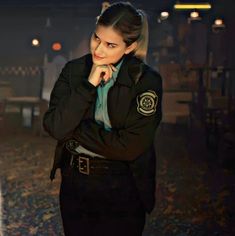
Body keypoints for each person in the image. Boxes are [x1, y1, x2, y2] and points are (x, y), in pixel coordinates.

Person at [43, 2, 162, 236]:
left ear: (129, 48)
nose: (99, 50)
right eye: (96, 38)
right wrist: (88, 85)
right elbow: (55, 127)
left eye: (111, 45)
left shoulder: (146, 81)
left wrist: (75, 129)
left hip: (122, 186)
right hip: (76, 183)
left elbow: (130, 147)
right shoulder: (74, 70)